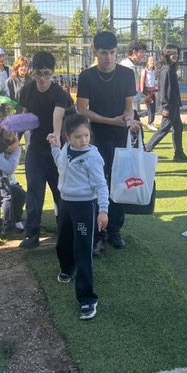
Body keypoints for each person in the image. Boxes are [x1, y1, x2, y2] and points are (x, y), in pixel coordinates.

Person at [77, 30, 140, 255]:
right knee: (95, 184)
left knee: (118, 184)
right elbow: (82, 110)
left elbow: (128, 106)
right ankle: (97, 234)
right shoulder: (86, 76)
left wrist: (129, 119)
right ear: (95, 51)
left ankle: (114, 230)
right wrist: (109, 120)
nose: (109, 57)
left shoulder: (126, 74)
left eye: (113, 52)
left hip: (119, 138)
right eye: (104, 53)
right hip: (94, 138)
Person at [48, 114, 108, 320]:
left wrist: (103, 210)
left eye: (86, 135)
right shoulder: (66, 148)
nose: (83, 140)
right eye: (78, 137)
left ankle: (87, 299)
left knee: (83, 252)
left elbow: (101, 185)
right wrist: (54, 146)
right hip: (66, 204)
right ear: (67, 137)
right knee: (63, 244)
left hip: (85, 207)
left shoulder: (92, 157)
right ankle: (67, 269)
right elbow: (60, 162)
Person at [18, 51, 71, 249]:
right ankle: (32, 234)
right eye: (38, 73)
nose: (42, 78)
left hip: (56, 149)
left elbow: (58, 113)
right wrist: (14, 140)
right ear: (33, 72)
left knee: (61, 191)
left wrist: (56, 134)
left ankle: (65, 231)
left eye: (46, 74)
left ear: (53, 73)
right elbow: (23, 116)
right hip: (36, 147)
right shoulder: (27, 90)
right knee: (34, 190)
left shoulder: (59, 94)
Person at [143, 44, 187, 160]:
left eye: (177, 54)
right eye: (173, 53)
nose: (176, 56)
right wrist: (165, 107)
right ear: (167, 55)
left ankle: (179, 154)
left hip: (174, 104)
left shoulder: (169, 69)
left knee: (178, 128)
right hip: (170, 105)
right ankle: (145, 150)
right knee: (164, 129)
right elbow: (164, 90)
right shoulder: (166, 70)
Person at [119, 39, 147, 114]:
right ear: (134, 52)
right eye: (142, 52)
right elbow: (130, 92)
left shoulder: (123, 64)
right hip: (127, 109)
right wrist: (143, 99)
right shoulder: (130, 68)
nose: (143, 55)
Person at [140, 55, 158, 130]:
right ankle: (150, 124)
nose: (152, 62)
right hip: (147, 92)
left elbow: (153, 82)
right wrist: (142, 94)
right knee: (151, 108)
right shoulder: (144, 71)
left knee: (152, 109)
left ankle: (138, 115)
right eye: (151, 60)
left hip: (152, 92)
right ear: (147, 62)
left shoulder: (153, 71)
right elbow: (142, 82)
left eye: (153, 60)